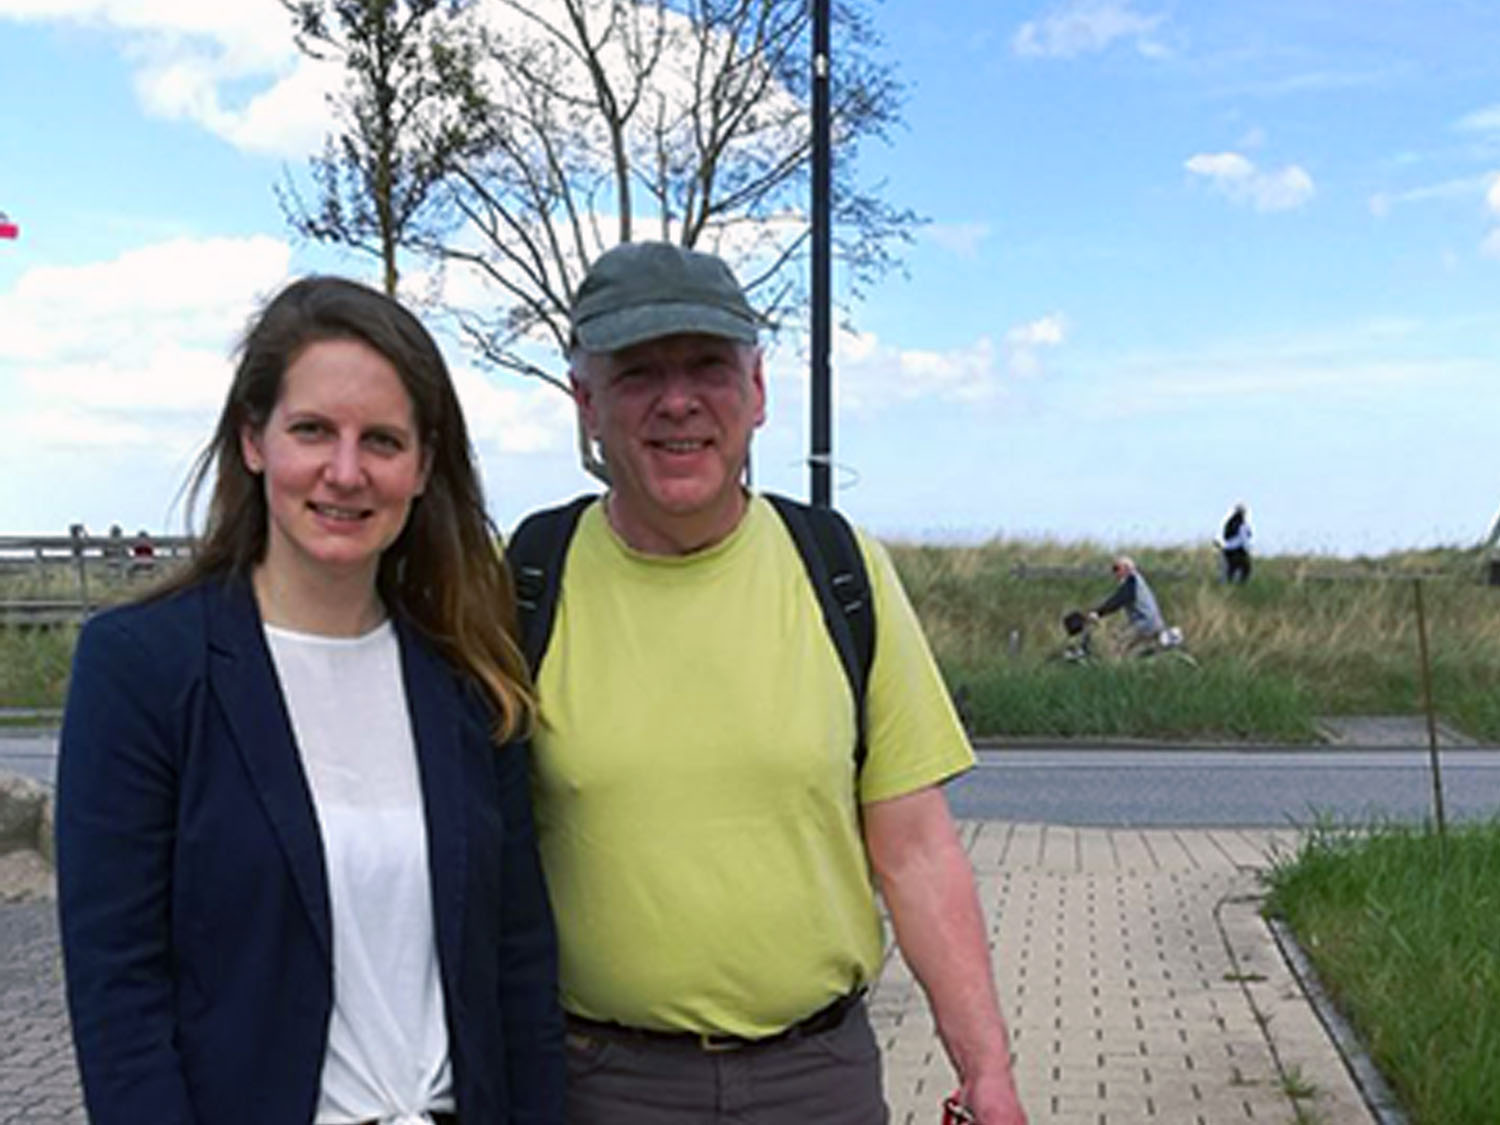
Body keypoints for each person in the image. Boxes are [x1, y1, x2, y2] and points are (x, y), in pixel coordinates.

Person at [522, 241, 1027, 1124]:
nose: (678, 400)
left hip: (818, 1079)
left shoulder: (839, 569)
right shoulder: (523, 580)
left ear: (757, 392)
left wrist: (986, 1070)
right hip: (598, 1085)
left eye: (708, 366)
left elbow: (913, 849)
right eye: (639, 371)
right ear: (587, 402)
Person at [56, 276, 564, 1125]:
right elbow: (120, 995)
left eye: (382, 440)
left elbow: (520, 969)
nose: (345, 470)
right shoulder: (141, 669)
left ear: (423, 464)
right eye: (312, 430)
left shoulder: (470, 682)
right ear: (254, 439)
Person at [1088, 555, 1166, 654]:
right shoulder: (1136, 581)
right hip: (1153, 623)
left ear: (1127, 568)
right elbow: (1116, 598)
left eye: (1116, 568)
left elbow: (1119, 600)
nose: (1114, 573)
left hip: (1145, 624)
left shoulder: (1132, 581)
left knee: (1116, 645)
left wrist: (1098, 613)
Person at [1218, 502, 1252, 583]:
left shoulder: (1229, 523)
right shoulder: (1242, 524)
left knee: (1229, 571)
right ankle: (1239, 587)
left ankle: (1227, 586)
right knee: (1246, 569)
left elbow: (1225, 536)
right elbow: (1244, 538)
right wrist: (1248, 549)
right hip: (1238, 550)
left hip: (1227, 550)